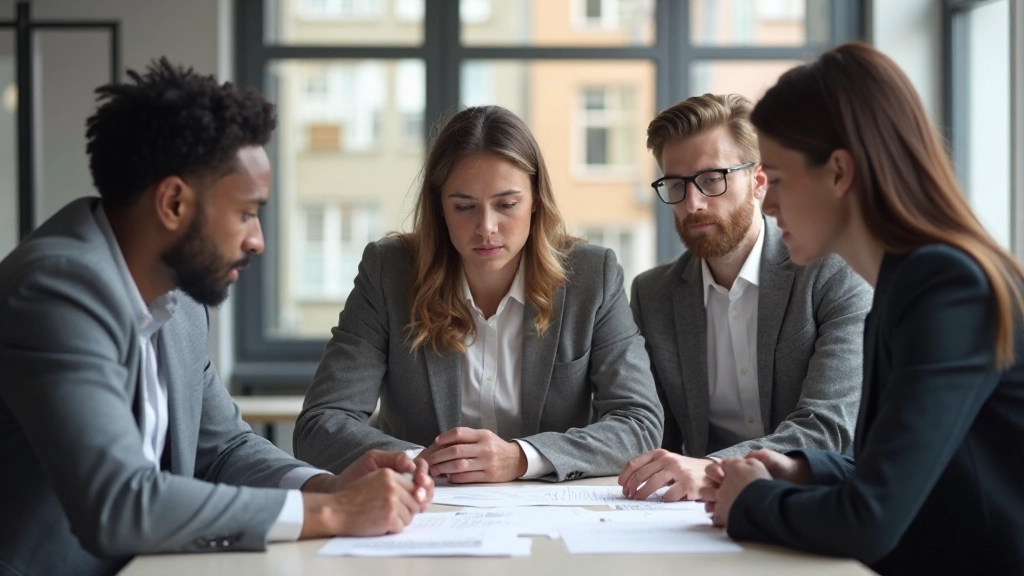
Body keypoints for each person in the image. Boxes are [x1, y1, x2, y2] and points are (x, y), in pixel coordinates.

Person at [0, 59, 433, 576]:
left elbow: (223, 448)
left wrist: (325, 485)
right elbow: (116, 505)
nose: (258, 240)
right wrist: (334, 511)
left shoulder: (177, 300)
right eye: (247, 212)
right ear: (174, 203)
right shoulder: (57, 290)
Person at [699, 43, 1024, 575]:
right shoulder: (905, 282)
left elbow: (870, 519)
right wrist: (803, 471)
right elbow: (908, 468)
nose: (769, 203)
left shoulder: (946, 287)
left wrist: (751, 502)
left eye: (777, 179)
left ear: (839, 172)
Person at [294, 105, 664, 483]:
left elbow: (639, 423)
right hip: (421, 510)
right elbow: (320, 424)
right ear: (439, 208)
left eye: (506, 205)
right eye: (465, 207)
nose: (486, 227)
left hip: (549, 513)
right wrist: (420, 463)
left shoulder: (591, 276)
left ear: (536, 200)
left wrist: (521, 458)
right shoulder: (388, 272)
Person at [617, 93, 871, 502]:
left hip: (813, 503)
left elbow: (829, 427)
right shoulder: (653, 294)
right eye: (676, 185)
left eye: (712, 179)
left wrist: (711, 469)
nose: (693, 203)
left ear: (758, 180)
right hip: (694, 514)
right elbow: (652, 429)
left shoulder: (831, 272)